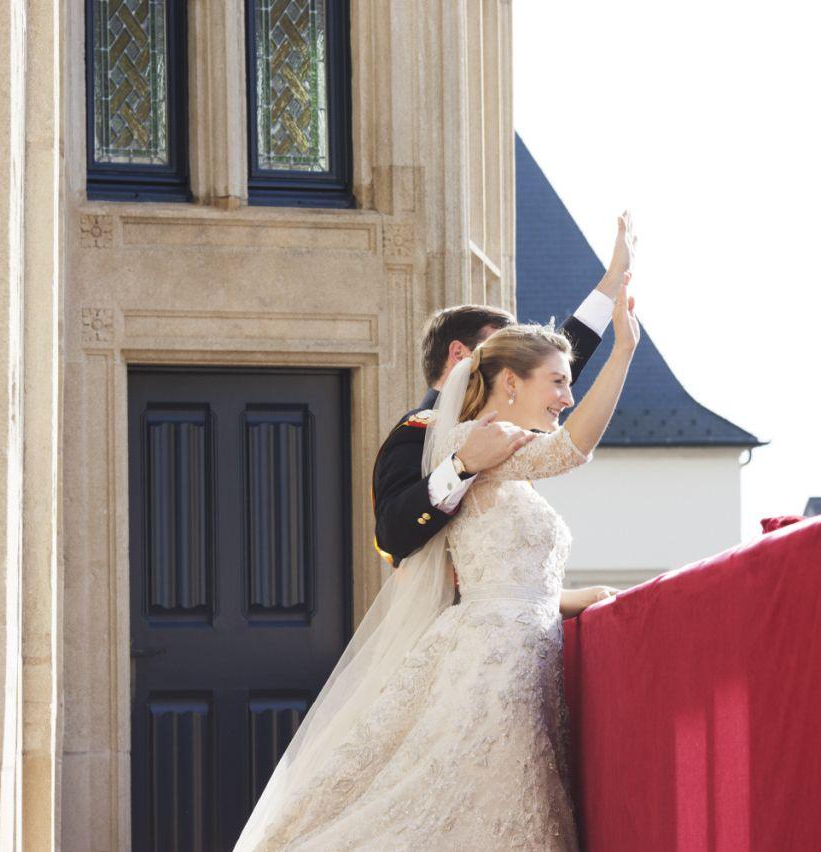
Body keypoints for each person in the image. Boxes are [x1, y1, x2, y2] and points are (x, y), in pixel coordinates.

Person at [234, 274, 642, 850]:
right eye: (557, 383)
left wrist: (574, 599)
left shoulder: (504, 445)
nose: (565, 395)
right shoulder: (477, 439)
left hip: (518, 652)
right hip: (493, 665)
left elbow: (501, 576)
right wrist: (624, 349)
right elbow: (573, 447)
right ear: (507, 380)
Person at [372, 213, 635, 572]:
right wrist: (460, 465)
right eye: (500, 348)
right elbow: (391, 536)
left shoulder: (503, 421)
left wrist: (613, 281)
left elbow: (552, 364)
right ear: (459, 354)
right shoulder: (419, 432)